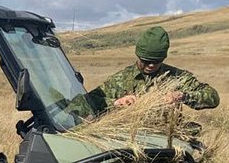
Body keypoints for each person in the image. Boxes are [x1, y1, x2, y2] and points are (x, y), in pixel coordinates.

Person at [76, 26, 220, 117]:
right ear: (138, 55)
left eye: (156, 61)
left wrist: (183, 96)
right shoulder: (120, 80)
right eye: (146, 61)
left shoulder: (176, 77)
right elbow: (81, 104)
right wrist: (115, 103)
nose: (151, 65)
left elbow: (213, 97)